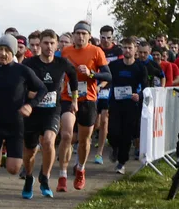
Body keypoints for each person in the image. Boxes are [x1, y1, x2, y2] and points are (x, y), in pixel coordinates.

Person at [0, 34, 47, 209]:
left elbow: (42, 89)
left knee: (13, 169)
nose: (3, 53)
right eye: (0, 49)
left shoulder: (22, 71)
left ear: (13, 52)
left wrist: (30, 105)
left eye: (7, 50)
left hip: (15, 124)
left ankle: (15, 162)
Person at [21, 29, 76, 196]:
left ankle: (44, 177)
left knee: (49, 141)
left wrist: (74, 100)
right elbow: (20, 83)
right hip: (32, 110)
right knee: (30, 150)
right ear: (40, 44)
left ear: (57, 44)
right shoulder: (29, 64)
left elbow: (73, 77)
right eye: (45, 43)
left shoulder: (62, 63)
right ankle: (29, 177)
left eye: (52, 43)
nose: (49, 46)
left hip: (53, 109)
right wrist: (28, 95)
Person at [58, 21, 109, 191]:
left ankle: (80, 168)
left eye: (84, 33)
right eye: (77, 33)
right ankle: (63, 175)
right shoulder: (66, 51)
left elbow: (109, 76)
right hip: (68, 97)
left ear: (89, 36)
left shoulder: (96, 51)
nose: (80, 36)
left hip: (88, 99)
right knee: (66, 135)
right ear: (73, 35)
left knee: (83, 140)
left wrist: (91, 73)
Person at [105, 37, 147, 174]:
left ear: (135, 49)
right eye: (125, 47)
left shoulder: (140, 67)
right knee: (113, 132)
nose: (127, 50)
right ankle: (114, 148)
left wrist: (139, 95)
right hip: (116, 103)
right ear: (122, 49)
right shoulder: (115, 65)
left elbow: (146, 87)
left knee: (127, 134)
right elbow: (107, 80)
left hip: (131, 105)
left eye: (130, 47)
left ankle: (121, 163)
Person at [92, 25, 122, 165]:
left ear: (113, 38)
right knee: (95, 122)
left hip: (109, 87)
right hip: (94, 87)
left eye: (108, 38)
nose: (105, 40)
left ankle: (99, 153)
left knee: (104, 119)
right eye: (103, 37)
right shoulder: (96, 50)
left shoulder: (118, 50)